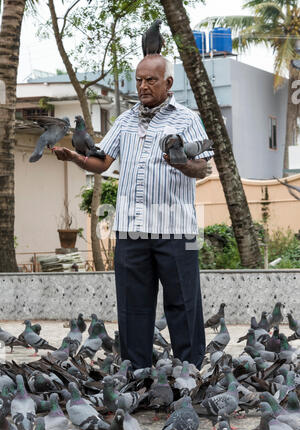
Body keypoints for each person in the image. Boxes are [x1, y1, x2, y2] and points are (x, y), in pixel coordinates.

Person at [54, 54, 214, 370]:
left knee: (183, 304)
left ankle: (189, 373)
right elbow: (103, 161)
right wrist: (75, 158)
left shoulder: (186, 119)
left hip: (176, 228)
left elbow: (204, 167)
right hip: (131, 229)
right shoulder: (125, 120)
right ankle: (137, 374)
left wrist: (182, 163)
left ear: (168, 83)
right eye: (139, 79)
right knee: (133, 306)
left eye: (150, 80)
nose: (143, 85)